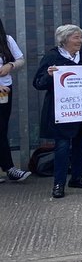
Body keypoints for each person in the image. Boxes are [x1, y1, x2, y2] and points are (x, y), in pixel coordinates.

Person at [32, 25, 82, 198]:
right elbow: (38, 83)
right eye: (76, 38)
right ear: (65, 39)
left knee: (80, 144)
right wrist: (49, 76)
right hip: (61, 110)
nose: (80, 41)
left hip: (81, 108)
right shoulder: (52, 57)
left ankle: (77, 177)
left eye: (81, 38)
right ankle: (58, 184)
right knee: (62, 146)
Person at [0, 17, 30, 182]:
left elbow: (20, 60)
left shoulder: (7, 40)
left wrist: (10, 65)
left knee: (2, 129)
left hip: (5, 91)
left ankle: (8, 168)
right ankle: (9, 168)